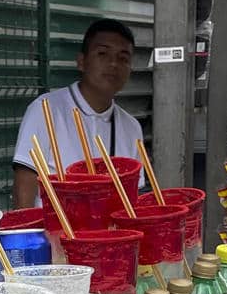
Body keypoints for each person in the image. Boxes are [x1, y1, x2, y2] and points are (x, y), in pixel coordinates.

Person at [11, 19, 147, 210]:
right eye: (103, 54)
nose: (114, 64)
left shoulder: (131, 127)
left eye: (123, 58)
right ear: (81, 62)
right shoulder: (45, 110)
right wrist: (31, 237)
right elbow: (23, 187)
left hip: (109, 236)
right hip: (54, 235)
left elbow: (133, 195)